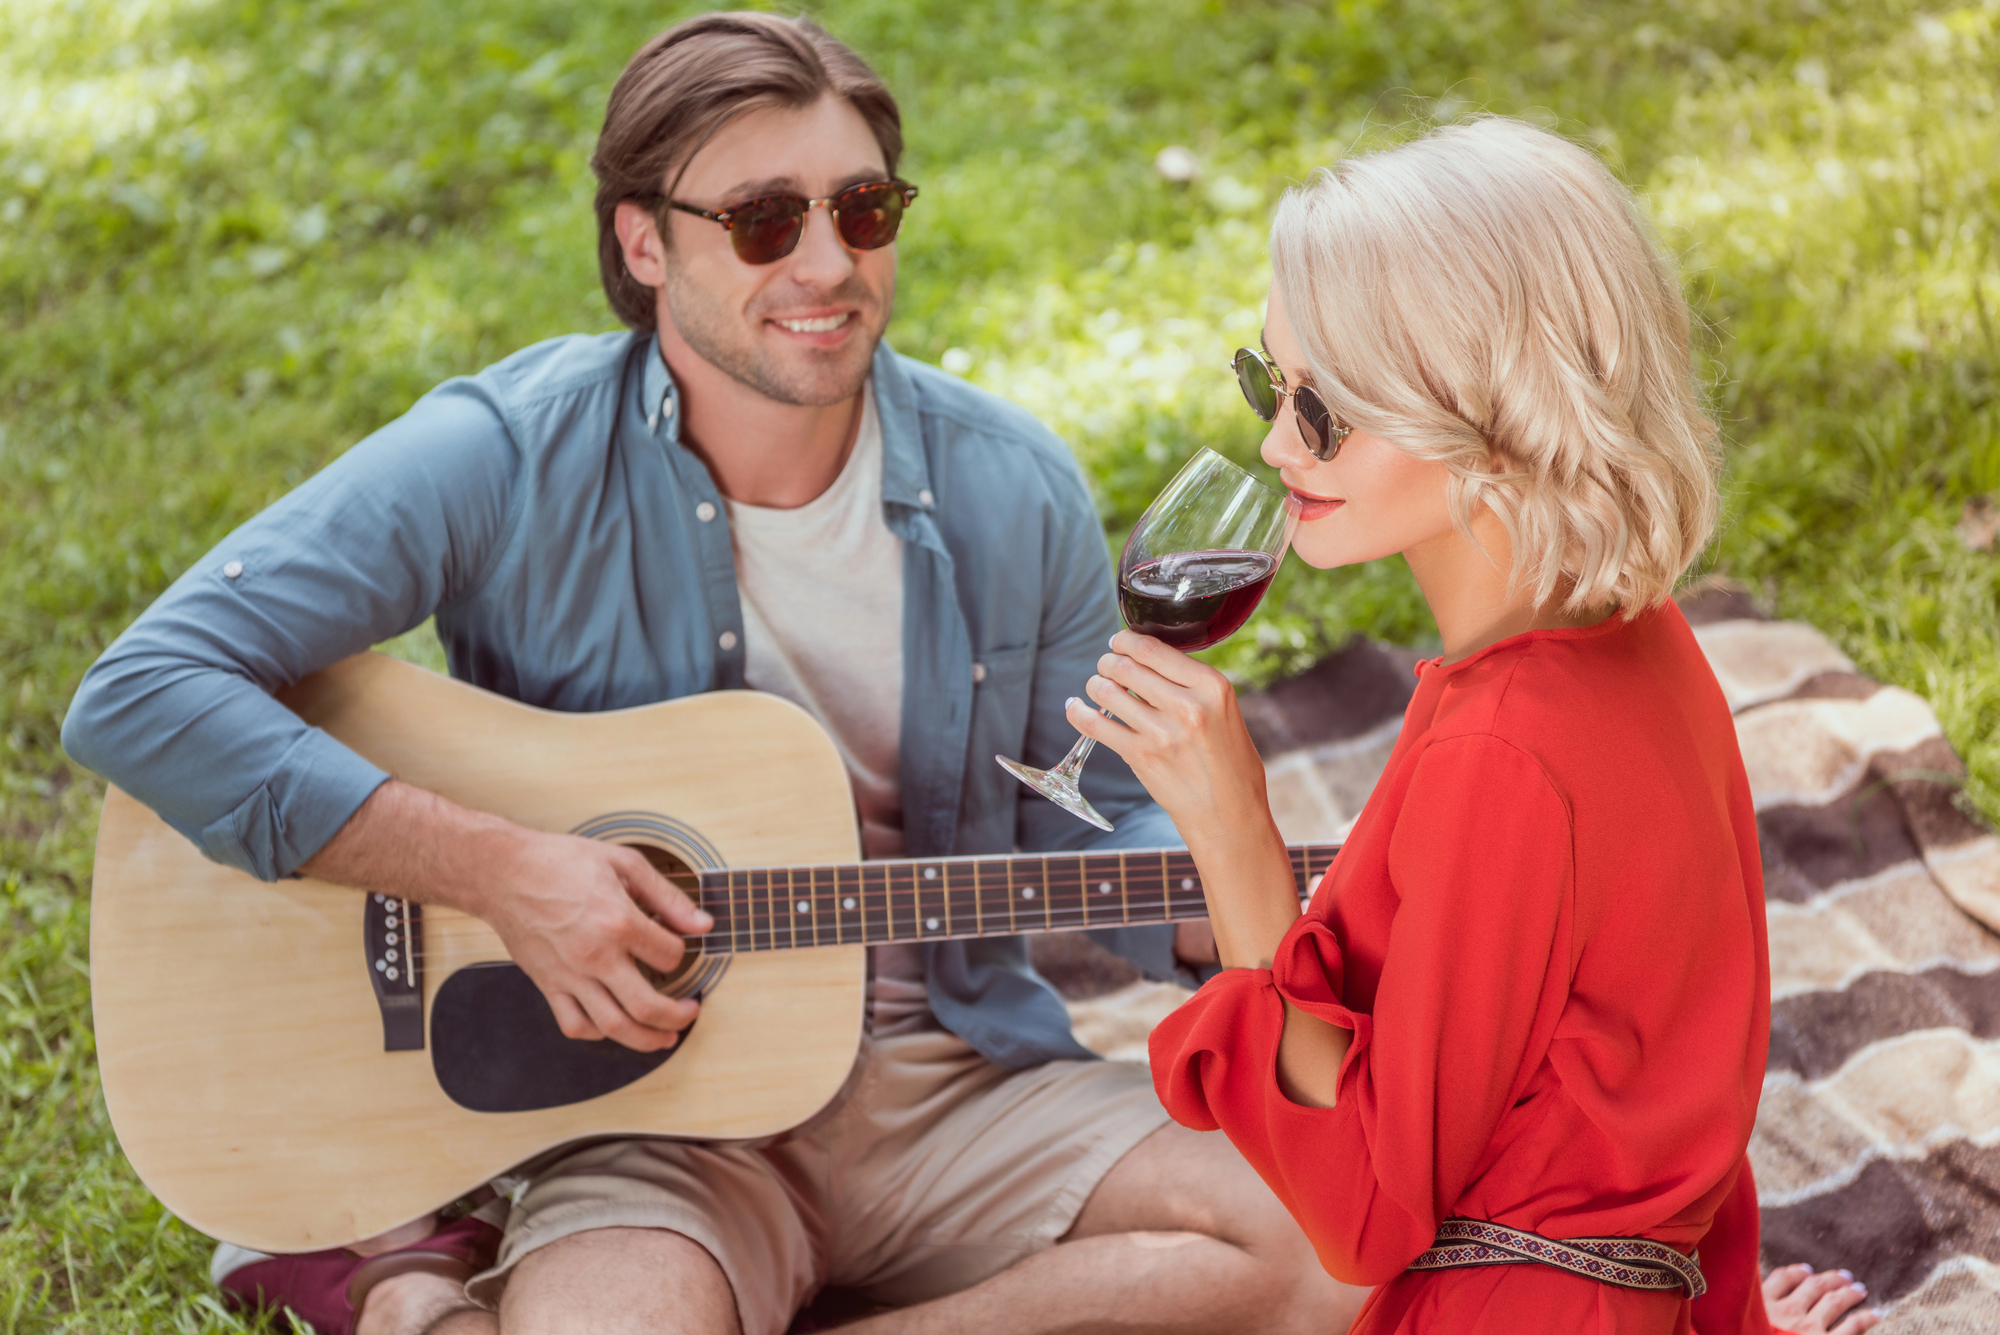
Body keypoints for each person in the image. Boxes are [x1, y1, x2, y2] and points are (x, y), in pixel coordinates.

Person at [60, 13, 1365, 1335]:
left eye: (864, 210)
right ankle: (417, 1284)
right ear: (644, 240)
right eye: (761, 221)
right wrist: (506, 873)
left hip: (960, 1082)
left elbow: (1076, 812)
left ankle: (423, 1296)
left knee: (1338, 1246)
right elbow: (146, 688)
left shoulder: (1007, 481)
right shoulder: (507, 454)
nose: (827, 261)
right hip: (651, 1110)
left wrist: (1230, 876)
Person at [1063, 117, 1881, 1335]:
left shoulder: (1500, 751)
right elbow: (1624, 1073)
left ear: (1492, 416)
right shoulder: (1638, 640)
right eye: (1268, 383)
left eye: (1325, 410)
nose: (1274, 442)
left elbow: (1362, 1211)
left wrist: (1230, 829)